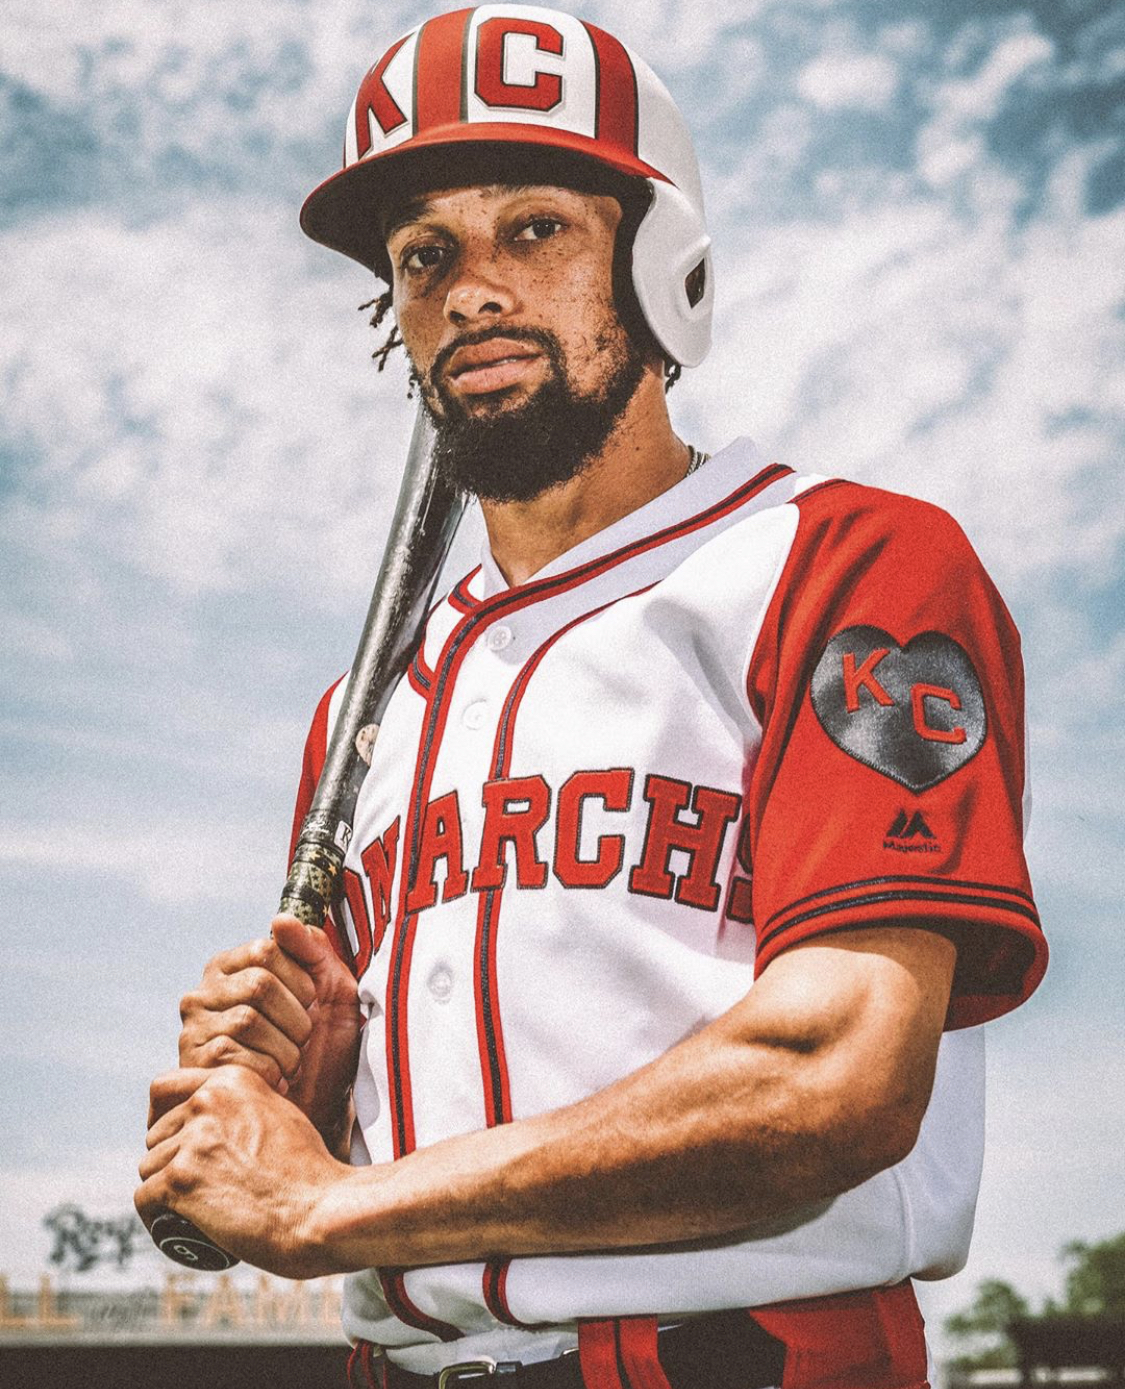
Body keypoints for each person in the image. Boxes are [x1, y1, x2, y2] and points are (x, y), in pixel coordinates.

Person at [136, 7, 1048, 1387]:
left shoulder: (839, 560)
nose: (473, 289)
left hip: (736, 1359)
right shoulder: (364, 708)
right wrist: (308, 1095)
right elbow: (377, 1149)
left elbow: (832, 1073)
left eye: (535, 228)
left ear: (660, 261)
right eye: (424, 253)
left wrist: (323, 1205)